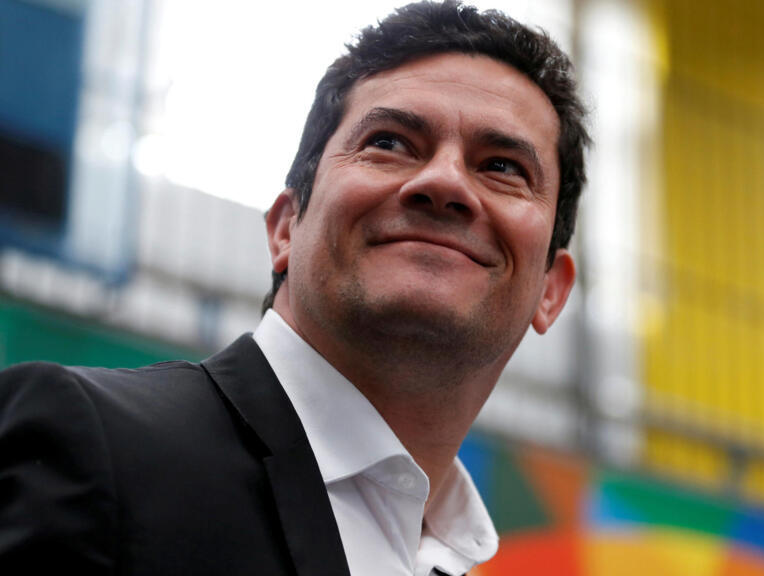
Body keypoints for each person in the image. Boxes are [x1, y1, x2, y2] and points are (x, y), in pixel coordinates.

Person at [0, 1, 589, 575]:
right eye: (389, 142)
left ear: (550, 291)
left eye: (503, 167)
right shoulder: (87, 442)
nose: (443, 181)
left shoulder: (457, 556)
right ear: (286, 227)